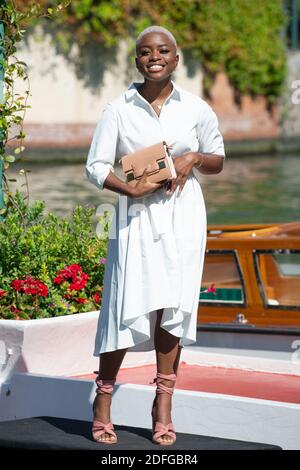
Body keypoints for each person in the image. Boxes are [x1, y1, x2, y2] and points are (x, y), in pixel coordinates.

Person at [85, 25, 225, 446]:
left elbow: (218, 158)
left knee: (174, 306)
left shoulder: (196, 108)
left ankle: (162, 405)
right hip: (134, 217)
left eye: (163, 50)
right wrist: (127, 187)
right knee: (123, 303)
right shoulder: (118, 109)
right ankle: (103, 398)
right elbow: (95, 165)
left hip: (183, 216)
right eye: (146, 52)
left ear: (176, 58)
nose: (155, 57)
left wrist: (194, 157)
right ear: (137, 60)